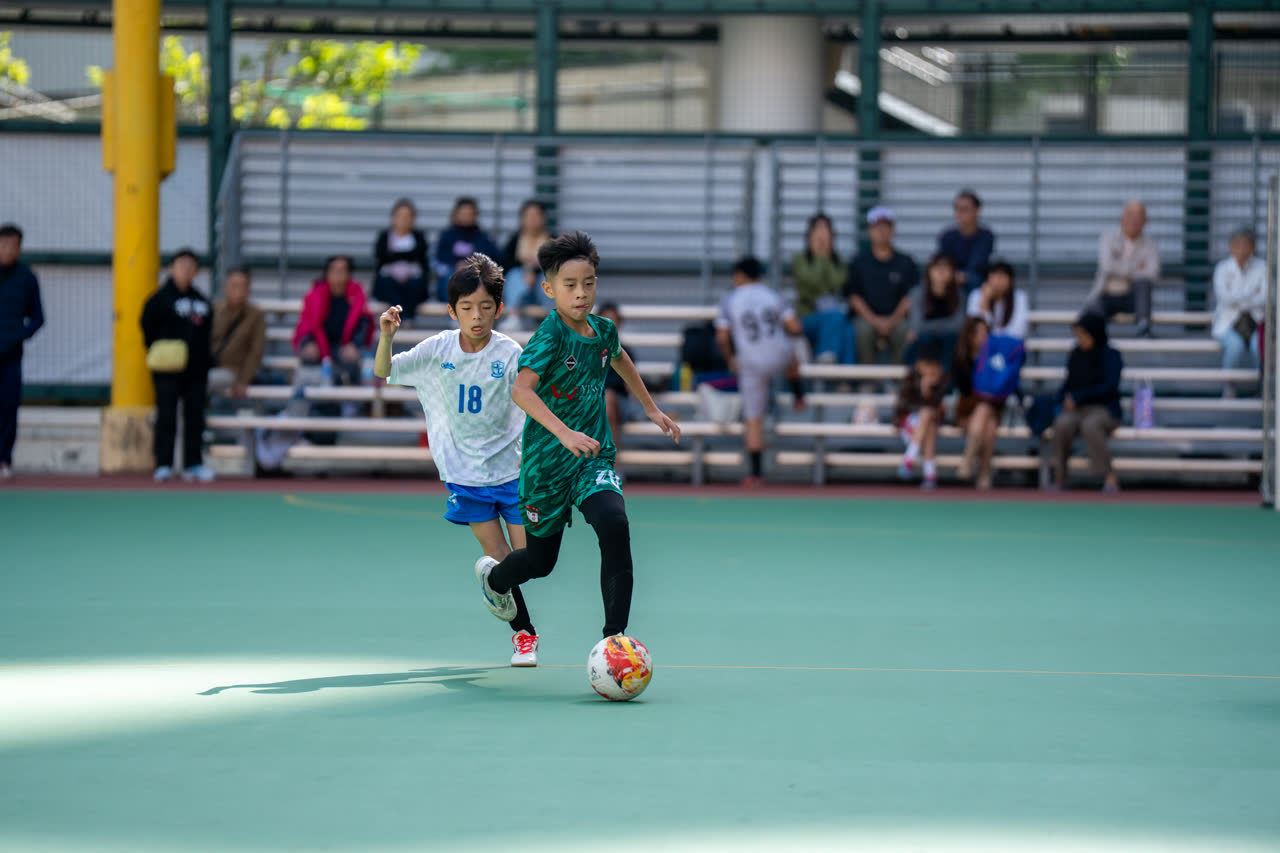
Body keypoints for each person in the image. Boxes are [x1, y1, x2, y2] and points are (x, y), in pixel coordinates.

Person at [474, 231, 680, 647]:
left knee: (614, 524)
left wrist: (650, 407)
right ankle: (495, 580)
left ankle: (615, 639)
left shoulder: (603, 330)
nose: (581, 293)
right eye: (570, 285)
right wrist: (565, 433)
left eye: (588, 283)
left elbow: (619, 359)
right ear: (549, 289)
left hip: (591, 459)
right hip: (546, 466)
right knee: (540, 562)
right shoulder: (549, 336)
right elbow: (521, 391)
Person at [374, 253, 536, 665]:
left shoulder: (509, 352)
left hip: (513, 471)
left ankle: (493, 583)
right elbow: (383, 370)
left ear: (499, 308)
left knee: (531, 560)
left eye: (485, 307)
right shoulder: (438, 349)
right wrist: (386, 336)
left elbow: (532, 399)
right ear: (452, 311)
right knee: (499, 554)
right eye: (466, 308)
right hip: (465, 475)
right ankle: (525, 636)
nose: (476, 316)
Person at [715, 256, 806, 488]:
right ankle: (798, 394)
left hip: (751, 361)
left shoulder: (730, 299)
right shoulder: (772, 295)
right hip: (778, 354)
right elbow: (795, 326)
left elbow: (722, 336)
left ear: (739, 275)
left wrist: (730, 358)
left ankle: (756, 474)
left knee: (754, 417)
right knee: (793, 354)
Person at [140, 248, 214, 483]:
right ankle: (164, 463)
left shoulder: (201, 301)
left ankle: (193, 463)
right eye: (181, 266)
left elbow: (208, 331)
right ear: (172, 268)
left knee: (195, 416)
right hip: (167, 370)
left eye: (191, 267)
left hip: (196, 370)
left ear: (196, 272)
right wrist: (165, 351)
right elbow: (147, 328)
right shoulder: (158, 300)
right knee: (166, 416)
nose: (186, 271)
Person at [1050, 311, 1123, 493]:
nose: (1080, 339)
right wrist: (1063, 398)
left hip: (1104, 409)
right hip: (1077, 409)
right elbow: (1068, 384)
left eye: (1083, 334)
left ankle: (1109, 477)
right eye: (1078, 335)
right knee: (1062, 424)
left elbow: (1109, 387)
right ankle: (1060, 477)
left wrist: (1078, 397)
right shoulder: (1076, 354)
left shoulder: (1111, 355)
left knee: (1090, 425)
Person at [845, 206, 917, 366]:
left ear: (893, 230)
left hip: (897, 319)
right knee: (862, 330)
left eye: (886, 226)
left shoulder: (906, 262)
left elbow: (910, 297)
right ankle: (867, 377)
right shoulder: (858, 262)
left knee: (904, 330)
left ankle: (900, 377)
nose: (881, 231)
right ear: (870, 230)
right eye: (877, 227)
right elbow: (854, 297)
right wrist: (875, 321)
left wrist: (891, 321)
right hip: (866, 319)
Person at [0, 223, 44, 480]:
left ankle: (4, 459)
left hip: (10, 356)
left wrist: (18, 336)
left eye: (13, 246)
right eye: (4, 244)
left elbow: (38, 318)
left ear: (19, 248)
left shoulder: (27, 278)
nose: (8, 250)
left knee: (8, 407)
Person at [292, 255, 374, 388]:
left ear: (349, 274)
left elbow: (364, 325)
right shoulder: (315, 294)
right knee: (309, 353)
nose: (338, 275)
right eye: (334, 270)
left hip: (344, 346)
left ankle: (348, 396)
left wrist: (354, 344)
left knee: (353, 356)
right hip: (319, 344)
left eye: (342, 270)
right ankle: (306, 396)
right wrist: (308, 342)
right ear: (327, 273)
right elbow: (307, 325)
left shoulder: (357, 295)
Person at [1087, 200, 1159, 337]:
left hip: (1134, 299)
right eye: (1130, 215)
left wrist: (1119, 266)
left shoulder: (1151, 244)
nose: (1134, 220)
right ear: (1121, 218)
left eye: (1138, 216)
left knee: (1143, 283)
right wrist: (1136, 266)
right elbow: (1107, 266)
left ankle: (1143, 327)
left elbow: (1153, 273)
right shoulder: (1108, 238)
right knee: (1088, 320)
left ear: (1145, 221)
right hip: (1107, 295)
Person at [792, 213, 853, 364]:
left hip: (832, 315)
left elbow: (837, 282)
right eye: (818, 229)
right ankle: (825, 359)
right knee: (835, 317)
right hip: (807, 316)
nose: (822, 234)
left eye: (826, 230)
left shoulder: (838, 260)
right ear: (809, 234)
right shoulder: (800, 259)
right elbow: (811, 281)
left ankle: (847, 374)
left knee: (848, 329)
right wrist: (819, 256)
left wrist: (826, 256)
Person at [1211, 226, 1266, 395]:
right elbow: (1224, 298)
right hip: (1229, 322)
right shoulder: (1222, 268)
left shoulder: (1262, 267)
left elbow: (1265, 298)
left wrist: (1237, 297)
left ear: (1254, 247)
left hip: (1255, 321)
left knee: (1260, 347)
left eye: (1246, 245)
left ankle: (1262, 388)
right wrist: (1251, 293)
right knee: (1235, 346)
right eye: (1238, 245)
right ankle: (1229, 386)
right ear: (1231, 247)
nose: (1242, 249)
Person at [952, 316, 1002, 491]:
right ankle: (984, 473)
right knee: (988, 425)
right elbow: (964, 388)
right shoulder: (961, 358)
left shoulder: (996, 358)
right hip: (967, 411)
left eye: (985, 332)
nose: (983, 337)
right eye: (978, 333)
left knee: (986, 413)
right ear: (970, 336)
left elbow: (1003, 386)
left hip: (992, 409)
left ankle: (968, 460)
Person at [894, 339, 947, 490]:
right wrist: (921, 390)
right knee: (925, 414)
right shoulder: (911, 380)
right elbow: (902, 407)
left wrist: (928, 393)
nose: (932, 371)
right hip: (909, 425)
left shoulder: (941, 383)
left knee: (929, 420)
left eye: (935, 367)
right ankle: (929, 471)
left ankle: (910, 461)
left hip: (927, 427)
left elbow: (938, 412)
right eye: (928, 366)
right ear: (918, 365)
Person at [209, 266, 266, 399]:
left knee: (197, 381)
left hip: (233, 370)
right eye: (234, 285)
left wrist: (244, 380)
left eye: (243, 286)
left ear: (249, 290)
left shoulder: (256, 315)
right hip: (208, 365)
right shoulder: (214, 309)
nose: (239, 290)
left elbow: (256, 352)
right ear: (225, 287)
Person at [372, 199, 430, 325]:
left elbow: (421, 257)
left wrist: (395, 256)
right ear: (393, 218)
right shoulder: (385, 236)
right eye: (400, 216)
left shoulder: (418, 237)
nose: (404, 220)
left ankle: (405, 318)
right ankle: (403, 318)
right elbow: (381, 256)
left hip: (412, 281)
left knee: (413, 285)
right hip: (390, 280)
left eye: (408, 216)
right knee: (389, 285)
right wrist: (407, 256)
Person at [500, 200, 556, 329]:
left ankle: (552, 318)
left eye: (536, 215)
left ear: (543, 218)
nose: (532, 219)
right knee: (514, 275)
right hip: (522, 283)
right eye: (528, 215)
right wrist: (526, 271)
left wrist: (535, 272)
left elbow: (559, 265)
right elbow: (505, 265)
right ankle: (514, 316)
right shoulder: (515, 240)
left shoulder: (553, 240)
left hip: (541, 284)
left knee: (549, 277)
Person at [434, 196, 501, 303]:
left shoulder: (483, 237)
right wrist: (455, 265)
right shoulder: (447, 236)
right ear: (456, 214)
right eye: (463, 214)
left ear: (476, 215)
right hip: (452, 272)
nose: (466, 217)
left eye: (470, 214)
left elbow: (492, 257)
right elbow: (439, 258)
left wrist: (473, 265)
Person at [905, 253, 964, 370]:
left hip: (949, 340)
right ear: (929, 271)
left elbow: (958, 324)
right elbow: (917, 325)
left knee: (951, 339)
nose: (941, 272)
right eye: (937, 267)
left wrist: (930, 328)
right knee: (922, 339)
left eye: (946, 267)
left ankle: (945, 375)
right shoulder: (917, 293)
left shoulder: (960, 294)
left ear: (953, 272)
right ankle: (918, 375)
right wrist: (942, 327)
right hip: (925, 340)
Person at [597, 303, 640, 445]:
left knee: (608, 399)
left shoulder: (625, 353)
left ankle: (610, 456)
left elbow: (630, 388)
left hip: (619, 404)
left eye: (613, 322)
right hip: (594, 401)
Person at [937, 189, 995, 293]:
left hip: (977, 280)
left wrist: (963, 275)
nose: (959, 213)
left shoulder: (986, 236)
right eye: (957, 209)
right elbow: (944, 262)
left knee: (974, 279)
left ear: (977, 211)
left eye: (964, 209)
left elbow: (978, 263)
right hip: (951, 278)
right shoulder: (947, 236)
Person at [966, 260, 1029, 340]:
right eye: (994, 276)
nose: (998, 281)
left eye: (1002, 276)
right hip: (983, 345)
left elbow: (1019, 330)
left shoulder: (1019, 296)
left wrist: (996, 340)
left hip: (1009, 345)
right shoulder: (976, 295)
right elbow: (974, 330)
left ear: (1011, 280)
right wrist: (985, 301)